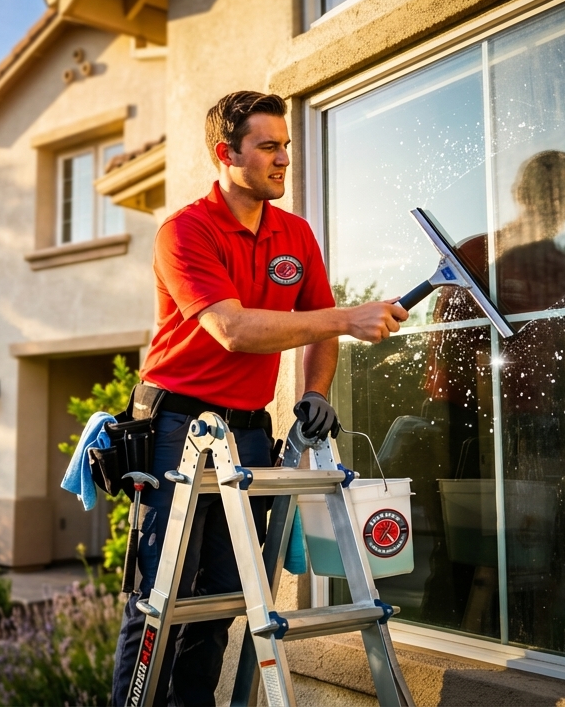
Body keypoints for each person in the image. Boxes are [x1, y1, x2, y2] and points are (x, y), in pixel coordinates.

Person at [110, 90, 408, 706]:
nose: (283, 160)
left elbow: (320, 323)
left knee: (224, 594)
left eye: (287, 146)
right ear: (227, 153)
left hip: (246, 430)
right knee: (162, 596)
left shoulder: (293, 234)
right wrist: (349, 317)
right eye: (268, 146)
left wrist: (315, 391)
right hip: (175, 423)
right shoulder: (185, 231)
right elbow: (234, 329)